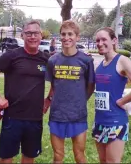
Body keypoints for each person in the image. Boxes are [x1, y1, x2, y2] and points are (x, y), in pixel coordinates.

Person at [0, 20, 49, 164]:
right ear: (23, 35)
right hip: (13, 117)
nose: (32, 36)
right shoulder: (12, 56)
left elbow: (58, 79)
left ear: (41, 35)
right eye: (28, 33)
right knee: (6, 157)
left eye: (35, 33)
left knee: (29, 156)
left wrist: (48, 99)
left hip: (35, 118)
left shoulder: (45, 59)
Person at [92, 27, 131, 163]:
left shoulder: (122, 61)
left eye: (104, 39)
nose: (100, 43)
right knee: (103, 161)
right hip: (99, 121)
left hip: (116, 122)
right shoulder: (100, 64)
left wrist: (121, 102)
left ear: (114, 41)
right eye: (97, 40)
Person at [44, 20, 95, 163]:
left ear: (77, 37)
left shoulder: (86, 61)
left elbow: (91, 86)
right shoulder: (53, 60)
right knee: (58, 155)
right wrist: (48, 101)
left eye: (70, 34)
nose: (66, 37)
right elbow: (54, 85)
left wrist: (80, 100)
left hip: (78, 115)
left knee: (79, 154)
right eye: (63, 34)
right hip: (57, 114)